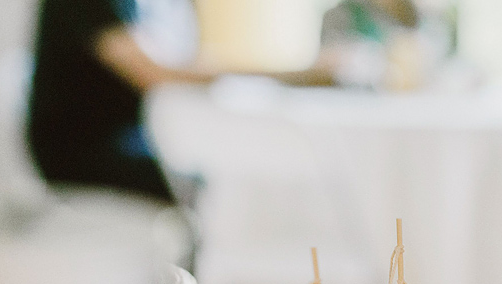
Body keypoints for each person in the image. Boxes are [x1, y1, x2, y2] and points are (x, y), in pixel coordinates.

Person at [27, 0, 332, 203]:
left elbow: (175, 60)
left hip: (130, 137)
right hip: (81, 149)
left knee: (222, 174)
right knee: (215, 190)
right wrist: (292, 73)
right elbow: (152, 71)